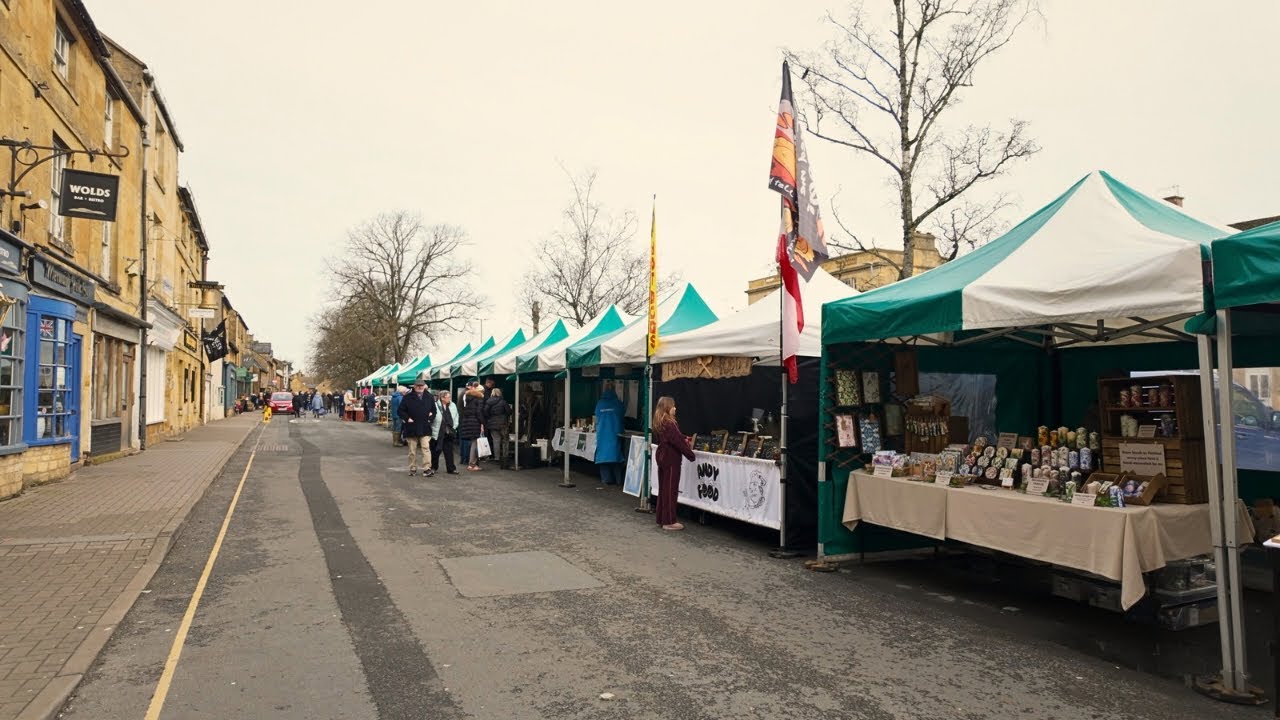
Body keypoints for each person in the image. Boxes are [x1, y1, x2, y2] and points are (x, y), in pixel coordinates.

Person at [653, 396, 695, 531]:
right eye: (673, 406)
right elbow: (677, 441)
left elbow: (674, 437)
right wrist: (691, 455)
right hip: (671, 458)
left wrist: (684, 438)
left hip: (662, 456)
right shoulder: (670, 423)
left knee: (663, 488)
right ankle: (669, 521)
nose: (675, 408)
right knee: (670, 489)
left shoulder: (660, 421)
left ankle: (661, 518)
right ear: (667, 407)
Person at [398, 380, 437, 477]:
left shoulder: (429, 397)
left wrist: (431, 418)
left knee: (426, 448)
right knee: (412, 450)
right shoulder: (407, 397)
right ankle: (412, 468)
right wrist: (407, 418)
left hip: (425, 426)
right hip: (412, 426)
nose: (420, 387)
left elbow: (434, 410)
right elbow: (400, 411)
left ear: (424, 386)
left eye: (421, 386)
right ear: (414, 386)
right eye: (418, 386)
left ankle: (427, 468)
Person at [594, 384, 626, 485]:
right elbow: (622, 415)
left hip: (602, 434)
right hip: (615, 433)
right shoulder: (618, 403)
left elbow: (596, 417)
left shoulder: (600, 404)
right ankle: (619, 480)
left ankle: (606, 479)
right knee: (616, 458)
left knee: (604, 459)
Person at [430, 390, 459, 475]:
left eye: (450, 397)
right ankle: (433, 467)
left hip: (449, 431)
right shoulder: (435, 405)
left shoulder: (453, 405)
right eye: (448, 397)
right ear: (442, 398)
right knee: (436, 451)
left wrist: (454, 426)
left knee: (449, 451)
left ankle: (451, 468)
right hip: (438, 431)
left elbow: (456, 416)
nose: (449, 398)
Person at [459, 384, 487, 471]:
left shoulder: (468, 398)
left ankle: (471, 463)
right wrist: (483, 422)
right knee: (475, 443)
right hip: (475, 423)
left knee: (472, 443)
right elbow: (479, 412)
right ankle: (472, 464)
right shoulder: (479, 399)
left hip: (467, 422)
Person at [483, 388, 512, 469]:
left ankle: (497, 458)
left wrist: (490, 418)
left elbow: (485, 412)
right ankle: (505, 457)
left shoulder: (488, 401)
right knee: (505, 440)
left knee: (496, 440)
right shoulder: (503, 402)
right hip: (503, 424)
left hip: (492, 424)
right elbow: (509, 411)